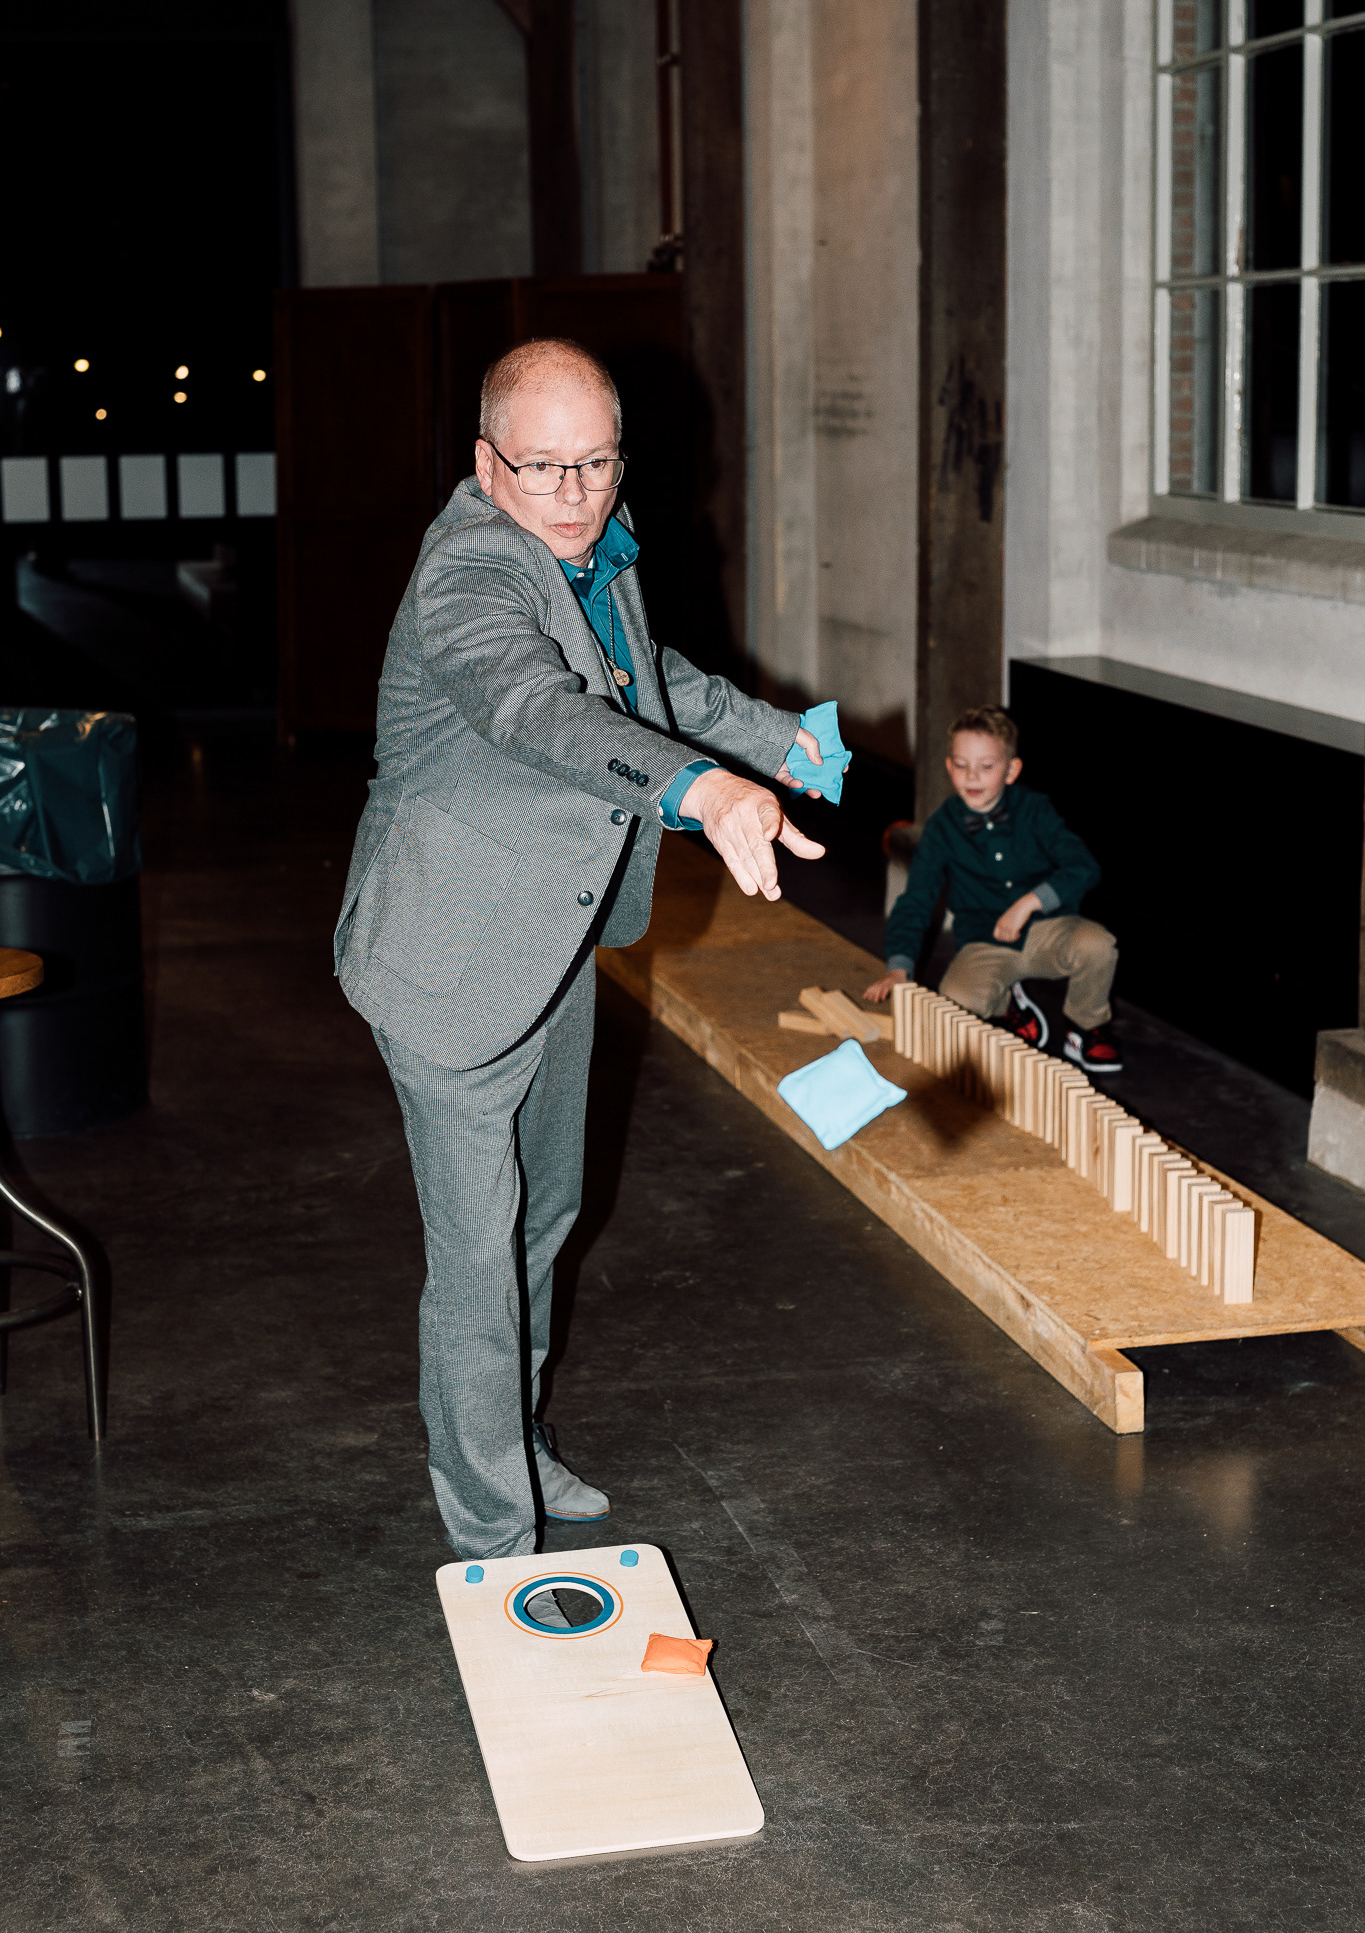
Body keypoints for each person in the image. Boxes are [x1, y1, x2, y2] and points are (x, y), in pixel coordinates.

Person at [334, 337, 828, 1595]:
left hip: (550, 936)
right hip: (448, 957)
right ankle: (495, 1544)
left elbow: (643, 678)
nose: (574, 493)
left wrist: (778, 742)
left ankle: (519, 1437)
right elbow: (538, 707)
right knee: (476, 1254)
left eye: (597, 463)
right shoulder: (467, 572)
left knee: (545, 1215)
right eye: (544, 466)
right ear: (485, 460)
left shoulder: (596, 543)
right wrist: (701, 788)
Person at [864, 706, 1121, 1073]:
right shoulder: (941, 829)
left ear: (1011, 770)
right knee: (956, 1003)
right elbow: (916, 899)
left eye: (986, 766)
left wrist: (1030, 902)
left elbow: (1083, 867)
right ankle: (1008, 1005)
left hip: (1049, 930)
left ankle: (1085, 1028)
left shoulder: (1034, 809)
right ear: (949, 767)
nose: (973, 776)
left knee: (1097, 945)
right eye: (962, 765)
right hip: (984, 942)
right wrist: (898, 966)